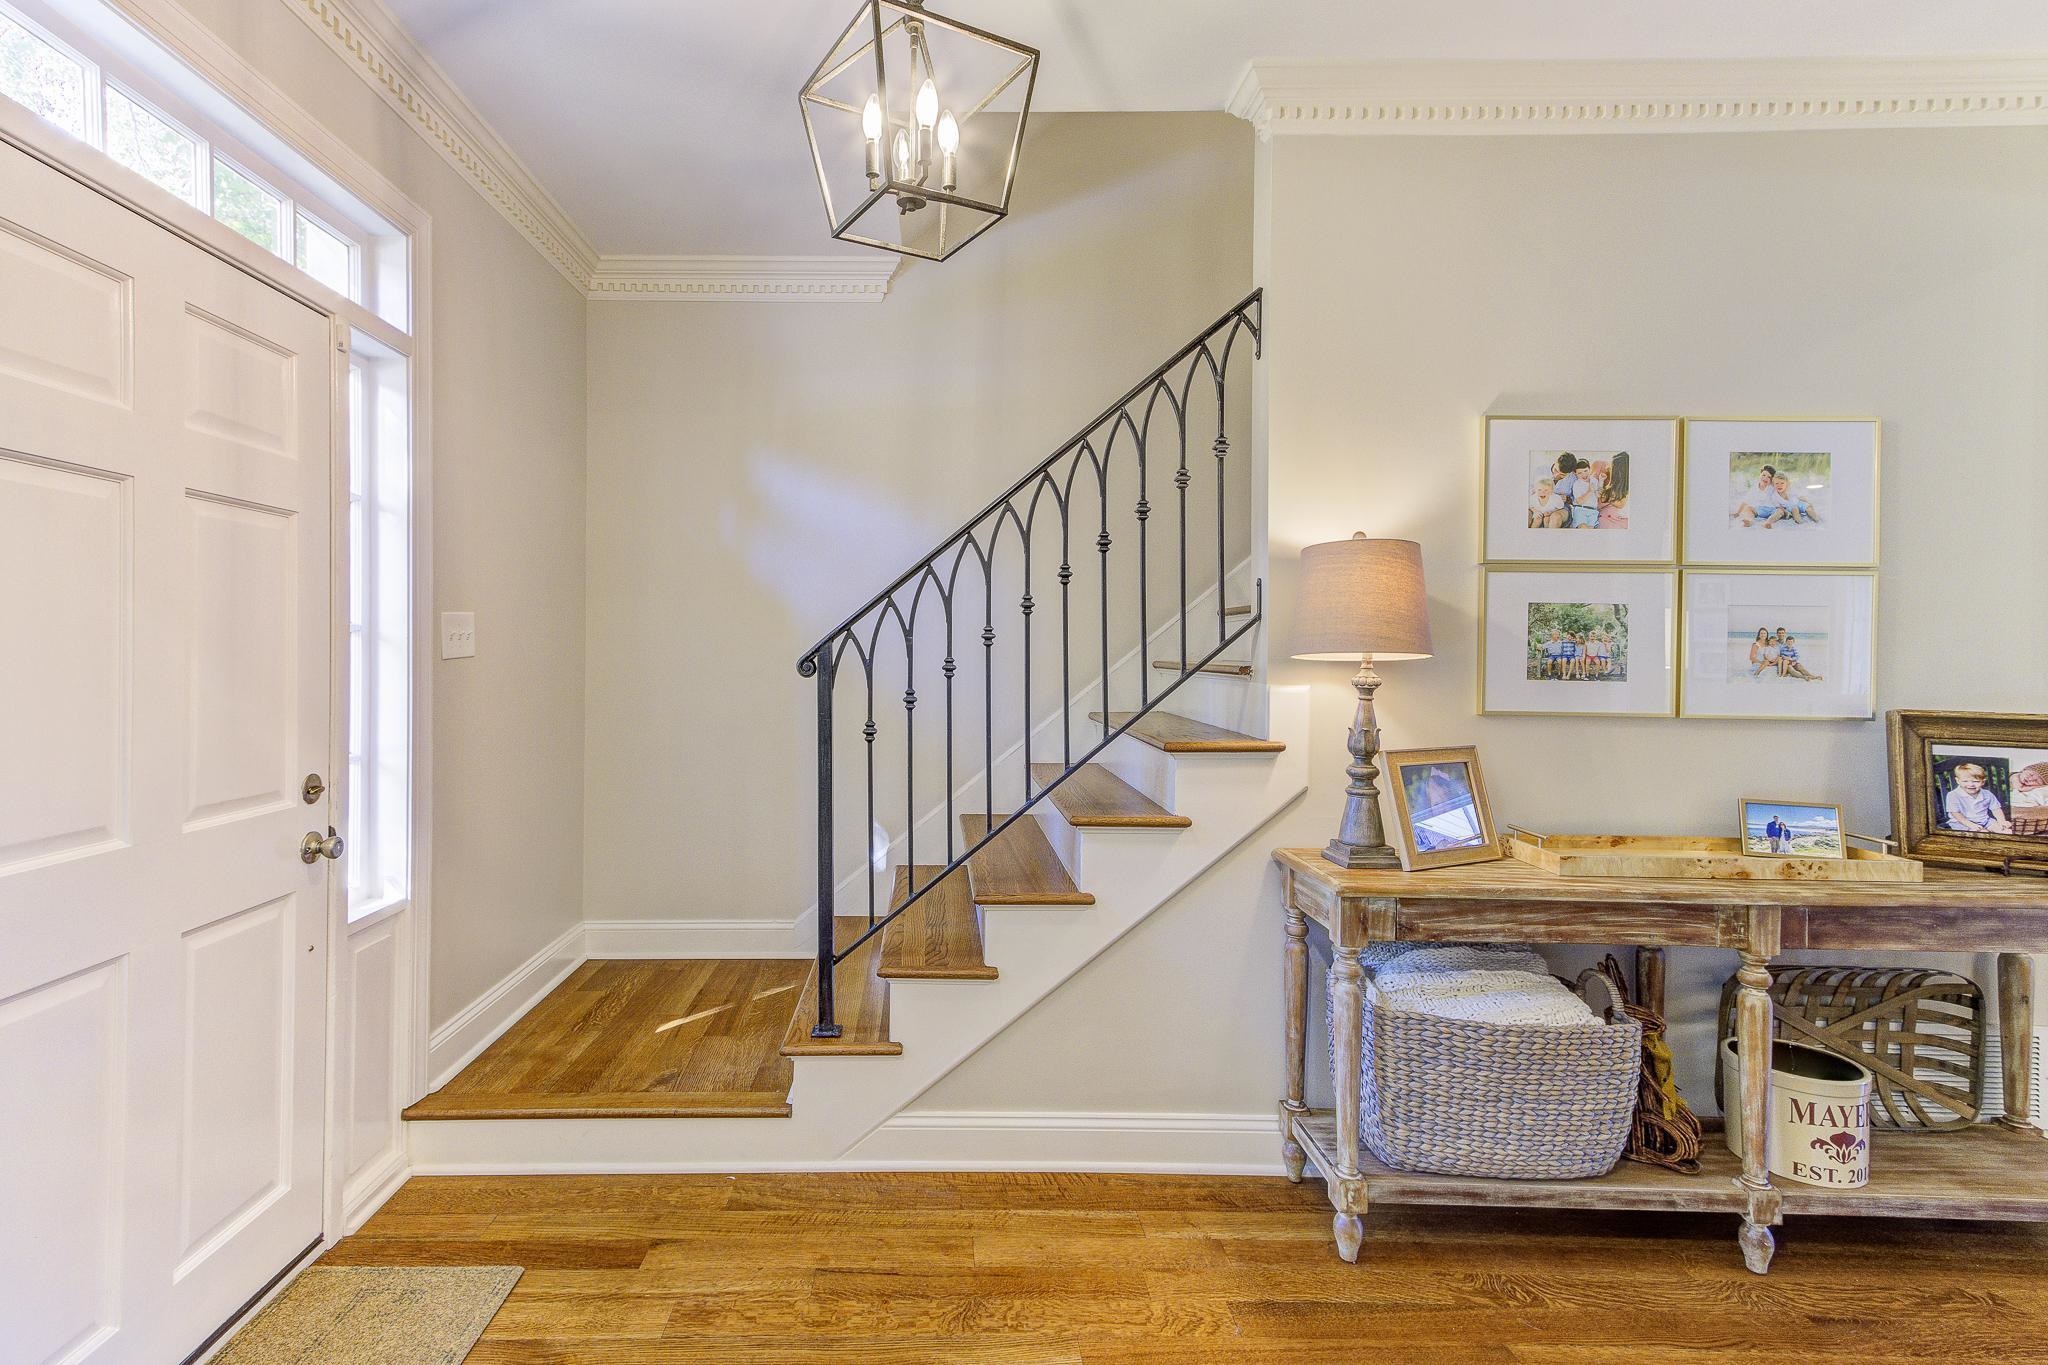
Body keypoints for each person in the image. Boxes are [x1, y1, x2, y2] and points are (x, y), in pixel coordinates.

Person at [1945, 762, 2013, 834]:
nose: (1971, 784)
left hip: (1985, 820)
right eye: (1965, 781)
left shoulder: (1987, 794)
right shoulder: (1953, 795)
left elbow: (1996, 809)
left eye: (1976, 781)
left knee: (2006, 831)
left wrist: (2002, 821)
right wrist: (1971, 825)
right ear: (1958, 781)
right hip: (1962, 823)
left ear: (1983, 782)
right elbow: (1956, 814)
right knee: (1984, 834)